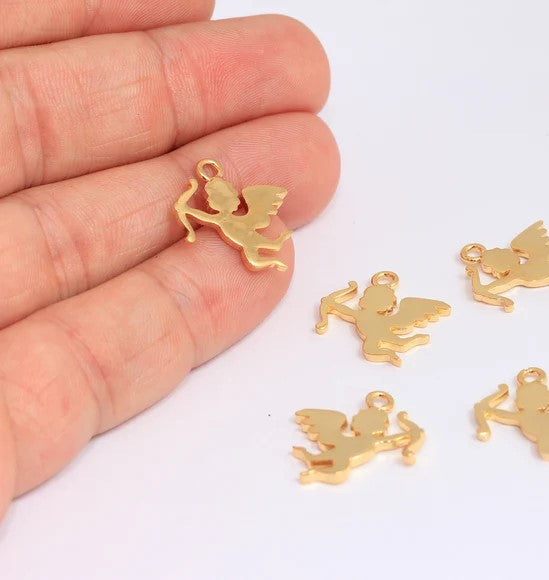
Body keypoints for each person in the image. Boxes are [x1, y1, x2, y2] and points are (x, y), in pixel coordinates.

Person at [0, 1, 339, 520]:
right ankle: (266, 256)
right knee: (257, 249)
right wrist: (191, 213)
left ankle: (267, 255)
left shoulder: (229, 209)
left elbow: (203, 212)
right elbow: (191, 213)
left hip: (242, 232)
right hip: (238, 235)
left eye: (220, 193)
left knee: (259, 246)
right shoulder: (213, 212)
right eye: (215, 193)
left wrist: (202, 213)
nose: (219, 196)